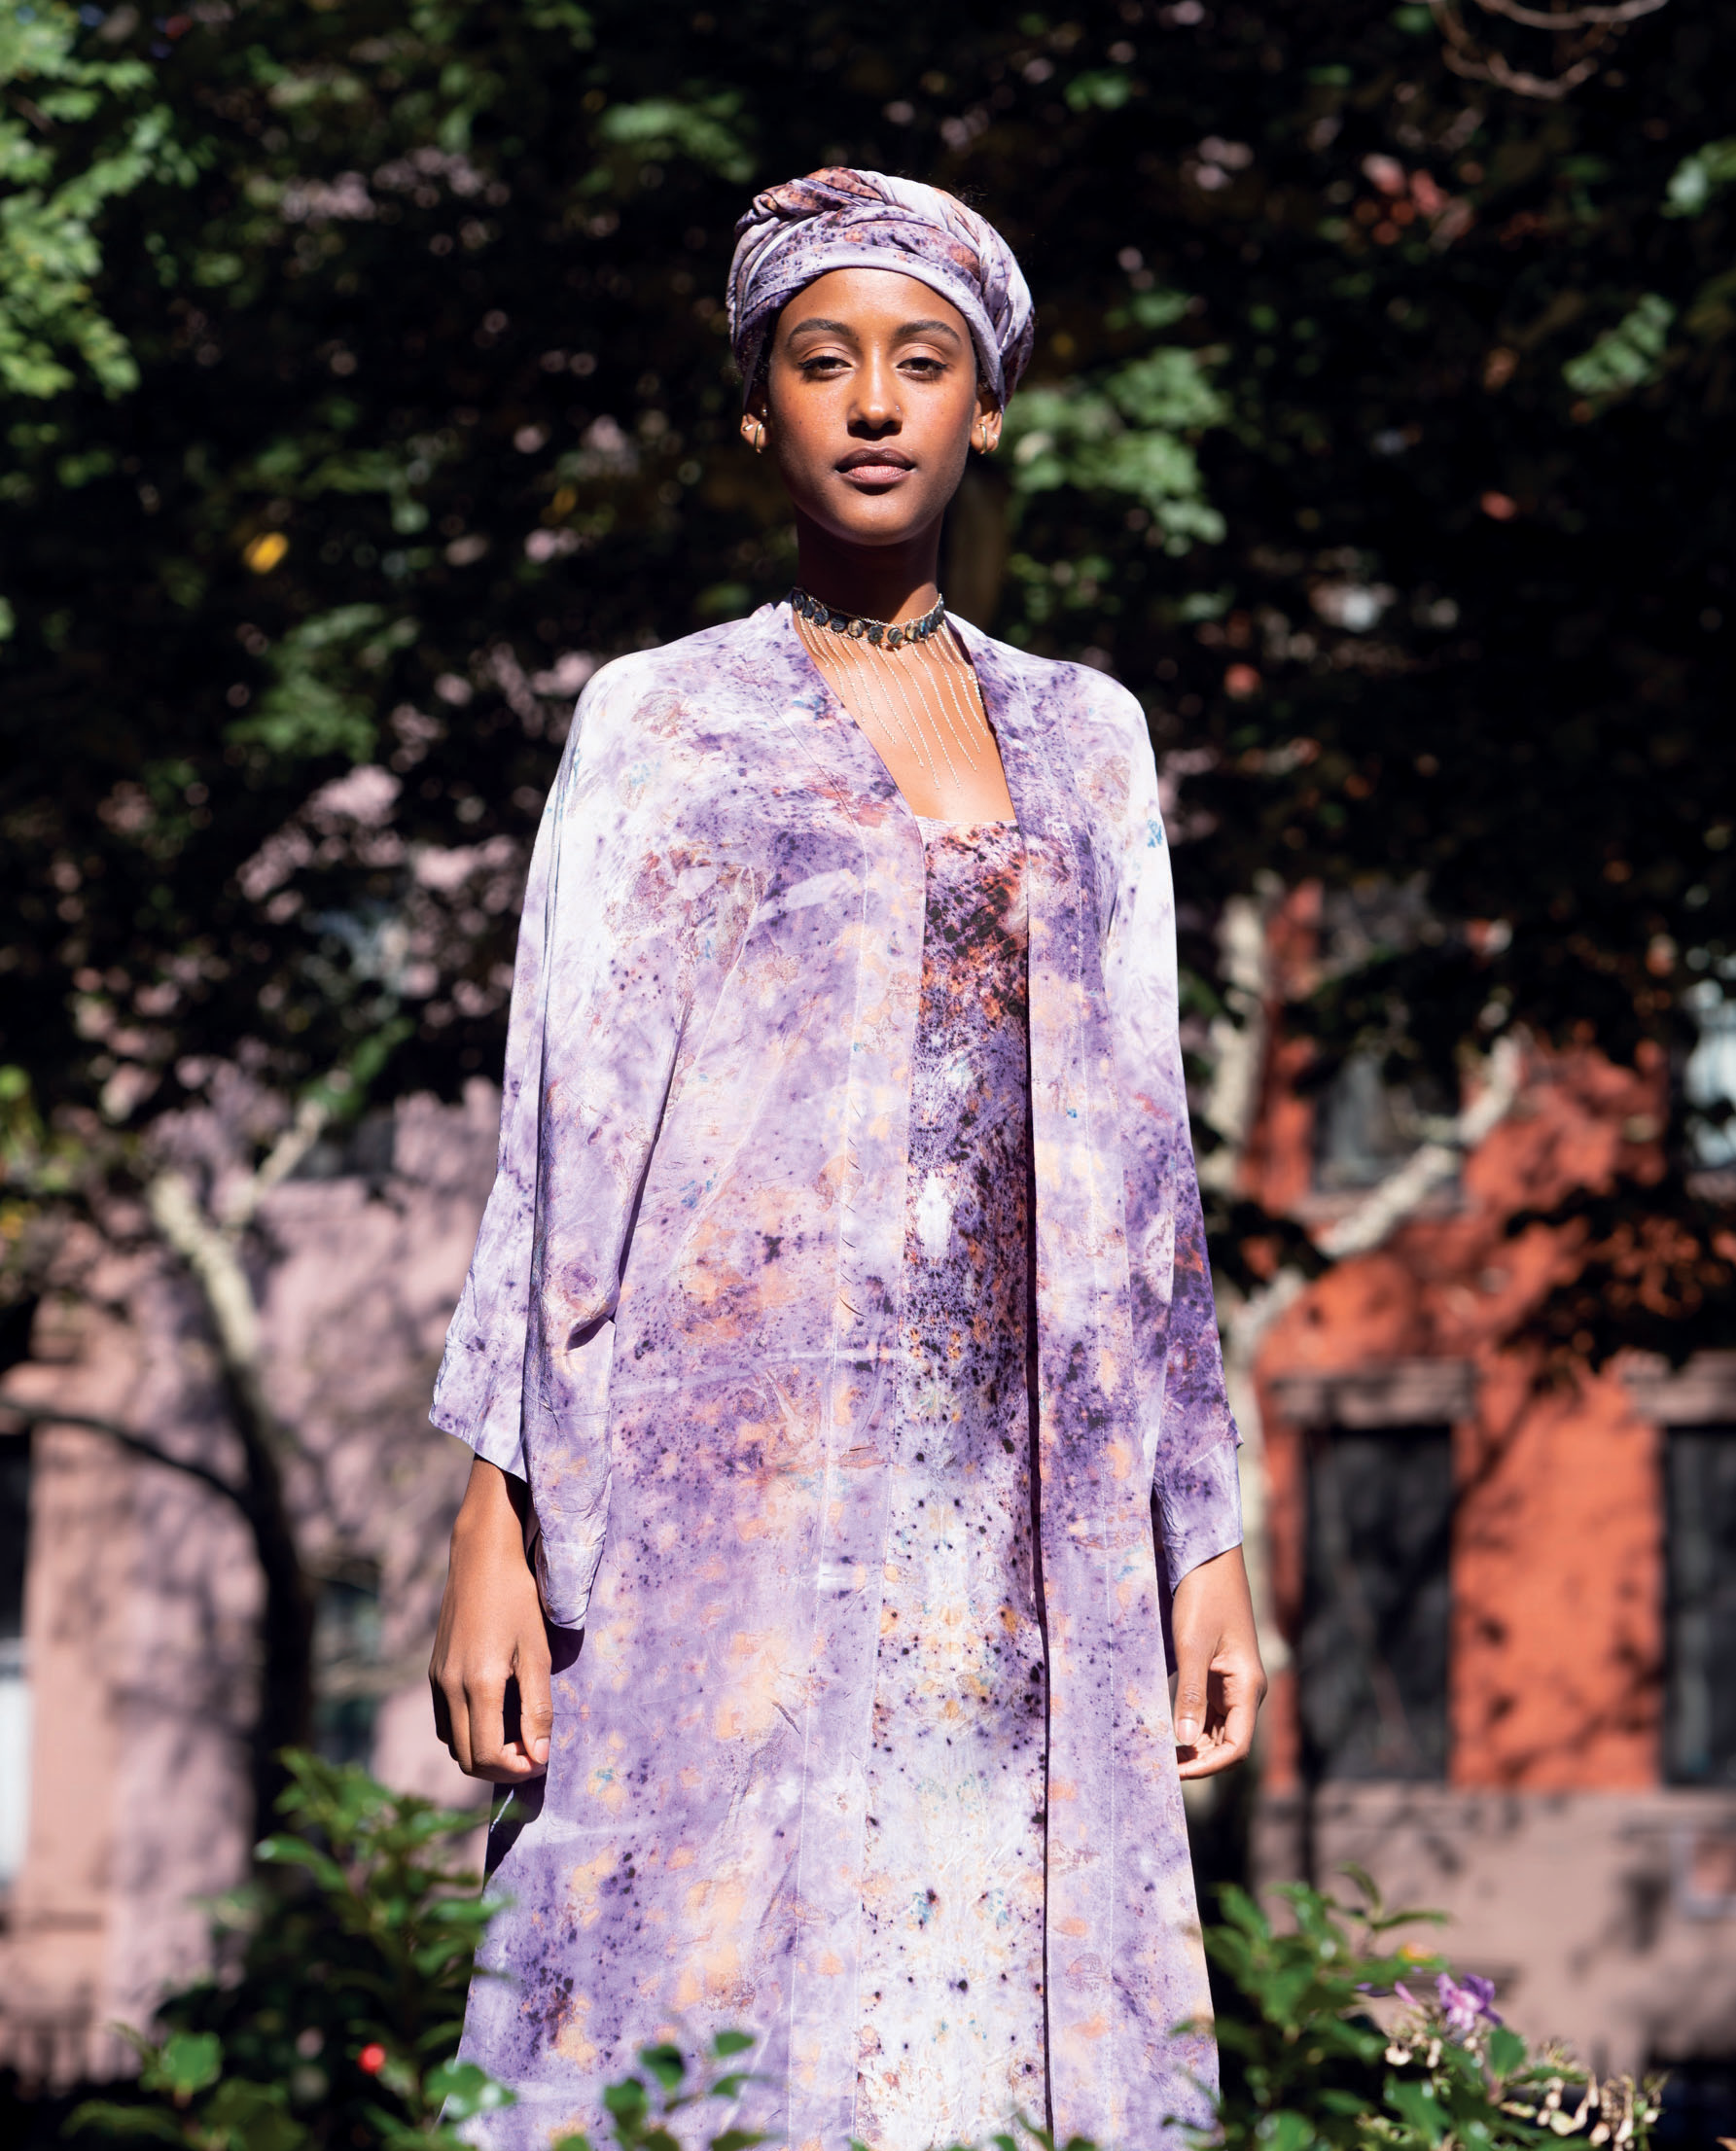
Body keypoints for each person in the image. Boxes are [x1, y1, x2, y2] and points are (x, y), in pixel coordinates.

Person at [427, 167, 1265, 2151]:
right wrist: (491, 1524)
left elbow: (1150, 1181)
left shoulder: (1089, 743)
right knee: (697, 2010)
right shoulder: (662, 723)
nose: (873, 400)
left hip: (1020, 1511)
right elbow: (558, 1138)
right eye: (825, 361)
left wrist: (1204, 1550)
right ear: (759, 408)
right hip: (717, 1494)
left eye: (919, 362)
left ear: (987, 409)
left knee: (976, 2035)